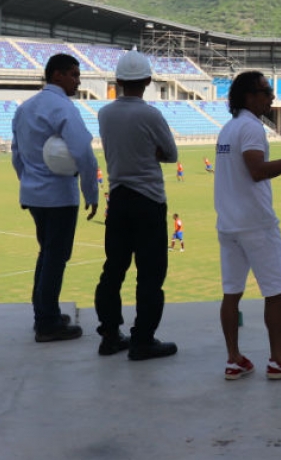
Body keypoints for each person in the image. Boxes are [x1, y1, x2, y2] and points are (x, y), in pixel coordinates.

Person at [216, 71, 281, 380]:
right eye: (266, 91)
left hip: (229, 223)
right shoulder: (251, 128)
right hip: (256, 223)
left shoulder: (228, 128)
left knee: (231, 293)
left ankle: (234, 359)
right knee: (275, 292)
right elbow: (257, 170)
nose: (272, 96)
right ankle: (277, 360)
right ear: (250, 96)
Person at [93, 51, 179, 360]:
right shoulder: (151, 115)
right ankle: (143, 339)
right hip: (148, 200)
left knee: (113, 270)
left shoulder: (104, 114)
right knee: (150, 275)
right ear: (147, 81)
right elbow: (170, 154)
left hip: (117, 198)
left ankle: (109, 335)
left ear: (118, 81)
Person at [11, 53, 99, 342]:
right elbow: (83, 152)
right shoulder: (63, 107)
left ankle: (44, 312)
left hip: (34, 194)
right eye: (73, 74)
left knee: (46, 253)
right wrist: (91, 190)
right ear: (57, 75)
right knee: (56, 257)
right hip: (59, 195)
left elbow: (16, 153)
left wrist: (28, 182)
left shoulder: (25, 109)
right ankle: (47, 322)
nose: (77, 80)